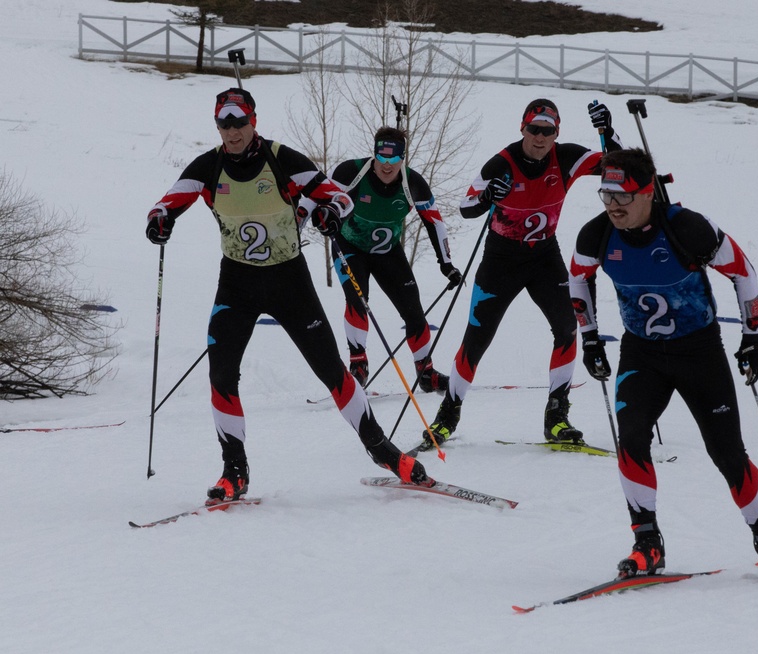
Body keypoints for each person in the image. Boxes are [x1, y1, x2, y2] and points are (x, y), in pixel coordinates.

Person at [145, 87, 429, 502]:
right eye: (224, 123)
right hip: (237, 284)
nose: (233, 130)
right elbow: (165, 204)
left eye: (239, 121)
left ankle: (383, 450)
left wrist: (330, 212)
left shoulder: (283, 159)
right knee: (221, 375)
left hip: (289, 283)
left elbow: (340, 198)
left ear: (253, 121)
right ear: (217, 126)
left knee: (332, 372)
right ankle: (234, 471)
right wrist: (159, 220)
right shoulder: (208, 167)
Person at [567, 148, 758, 578]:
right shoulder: (596, 235)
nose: (614, 205)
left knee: (727, 452)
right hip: (642, 354)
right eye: (606, 195)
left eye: (623, 196)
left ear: (648, 193)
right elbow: (578, 279)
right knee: (631, 437)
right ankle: (647, 543)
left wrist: (752, 337)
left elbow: (743, 272)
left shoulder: (688, 228)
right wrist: (590, 338)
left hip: (699, 353)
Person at [420, 98, 622, 448]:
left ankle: (557, 417)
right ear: (523, 128)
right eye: (534, 129)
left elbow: (619, 168)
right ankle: (447, 416)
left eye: (549, 131)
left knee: (566, 326)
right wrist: (488, 198)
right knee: (477, 339)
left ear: (557, 133)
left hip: (544, 256)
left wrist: (607, 128)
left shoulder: (567, 157)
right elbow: (466, 207)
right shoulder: (502, 162)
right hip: (501, 260)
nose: (541, 137)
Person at [325, 126, 461, 393]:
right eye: (381, 158)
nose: (387, 165)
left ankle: (425, 372)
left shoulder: (413, 183)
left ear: (403, 157)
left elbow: (435, 223)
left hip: (388, 251)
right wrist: (325, 217)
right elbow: (321, 199)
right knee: (357, 299)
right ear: (374, 153)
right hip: (350, 246)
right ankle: (358, 365)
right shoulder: (350, 172)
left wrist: (446, 264)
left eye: (394, 159)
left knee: (413, 308)